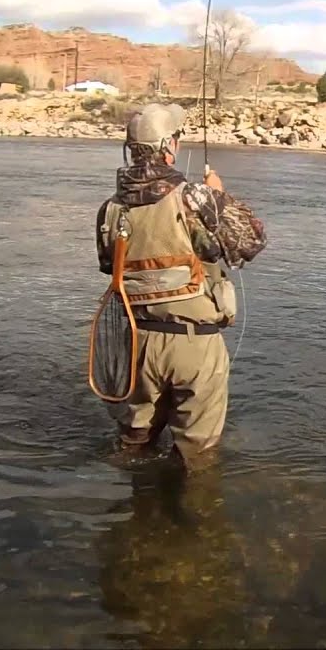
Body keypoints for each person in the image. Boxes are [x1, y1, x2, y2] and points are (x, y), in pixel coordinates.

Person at [95, 102, 267, 472]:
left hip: (139, 344)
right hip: (195, 346)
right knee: (198, 459)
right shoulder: (195, 198)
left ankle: (132, 514)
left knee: (134, 444)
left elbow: (110, 266)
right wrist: (219, 197)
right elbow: (250, 242)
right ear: (169, 146)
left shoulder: (109, 209)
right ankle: (195, 521)